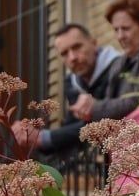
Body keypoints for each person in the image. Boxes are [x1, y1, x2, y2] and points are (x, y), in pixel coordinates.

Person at [32, 22, 122, 154]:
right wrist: (38, 140)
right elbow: (74, 126)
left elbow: (99, 123)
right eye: (64, 53)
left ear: (94, 43)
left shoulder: (120, 68)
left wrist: (45, 138)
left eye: (77, 47)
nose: (72, 58)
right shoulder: (72, 83)